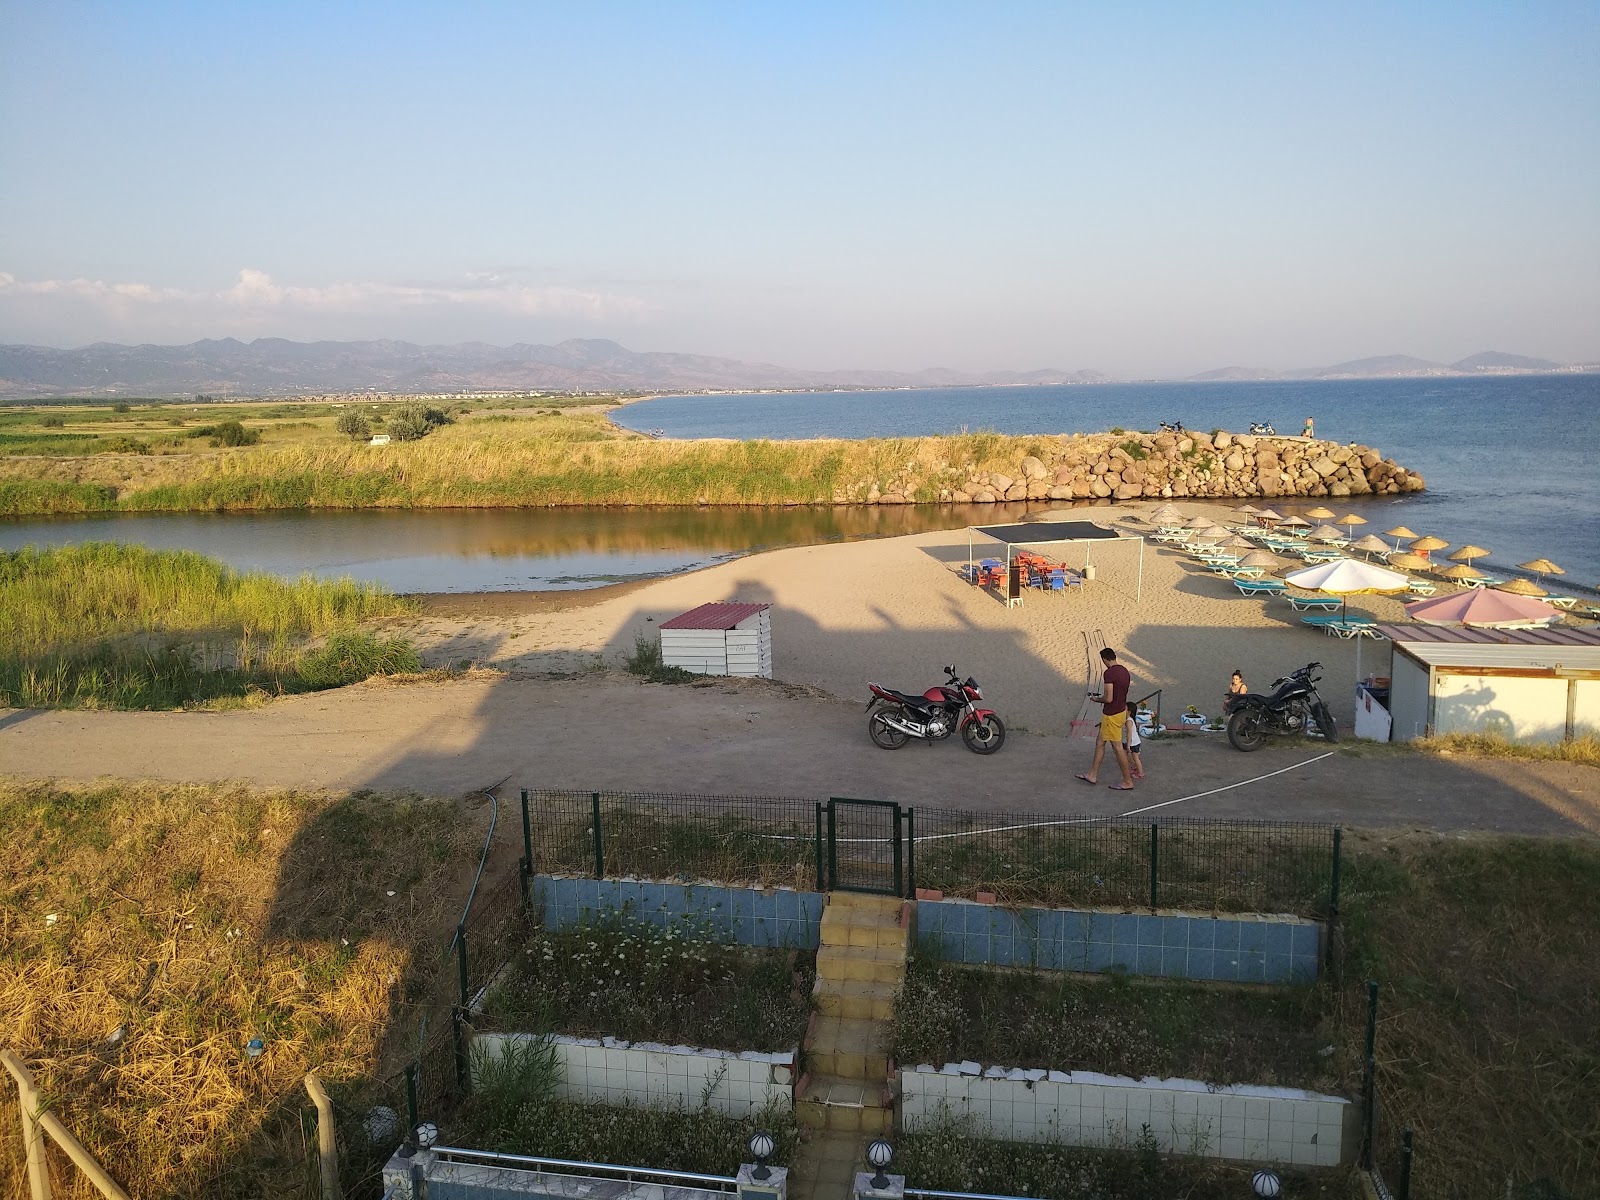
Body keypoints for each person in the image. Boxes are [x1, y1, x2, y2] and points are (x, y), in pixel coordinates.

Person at [1076, 647, 1134, 790]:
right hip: (1121, 711)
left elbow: (1108, 698)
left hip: (1111, 714)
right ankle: (1092, 774)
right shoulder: (1124, 671)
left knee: (1117, 747)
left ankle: (1127, 781)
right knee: (1100, 742)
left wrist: (1096, 700)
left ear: (1104, 659)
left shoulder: (1109, 673)